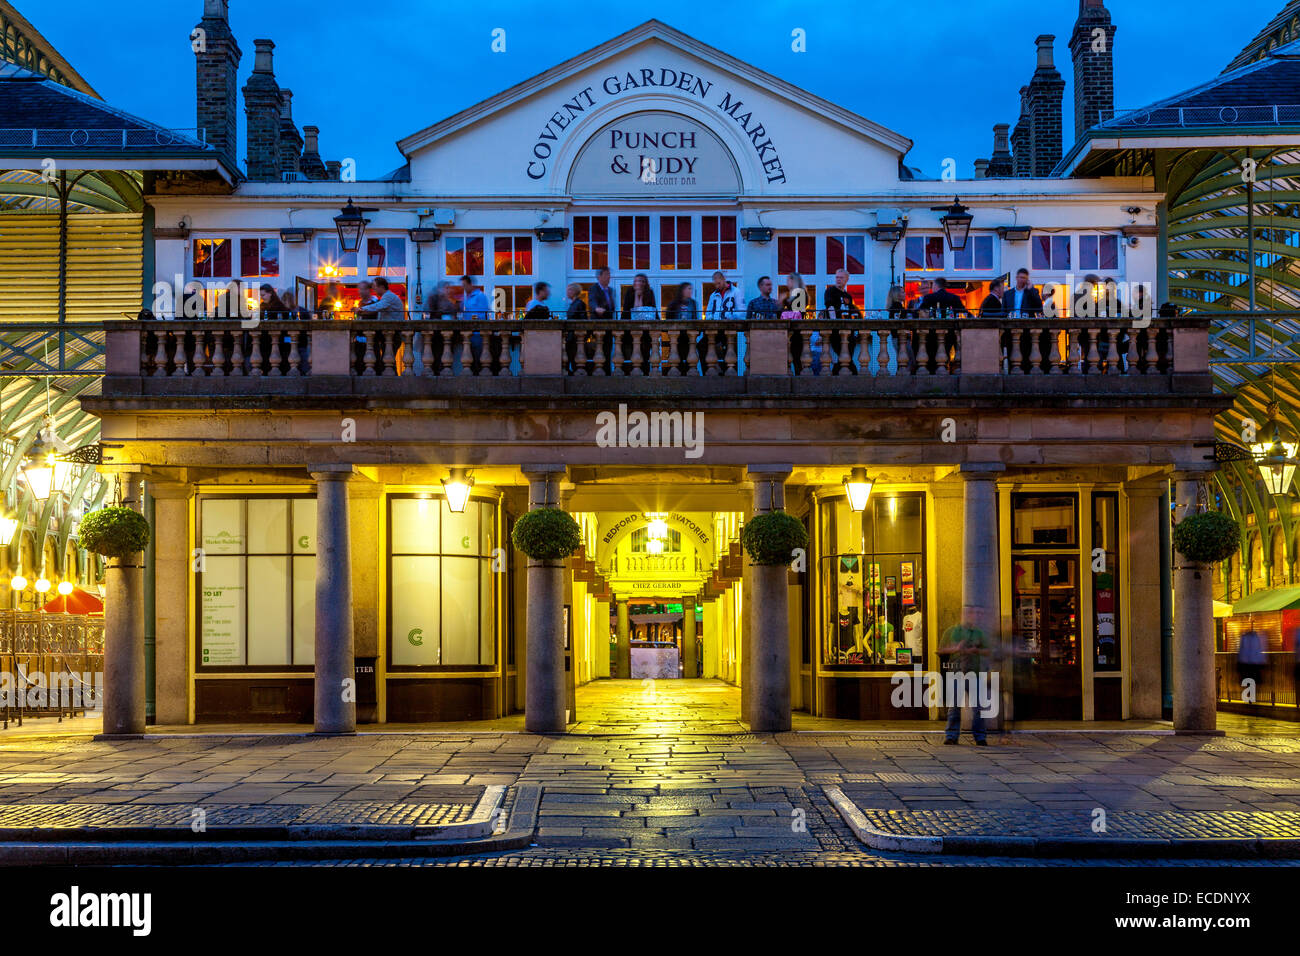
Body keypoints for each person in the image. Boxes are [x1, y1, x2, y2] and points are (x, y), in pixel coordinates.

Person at [938, 619, 992, 745]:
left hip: (974, 673)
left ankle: (980, 737)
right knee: (954, 707)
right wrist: (956, 648)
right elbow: (940, 650)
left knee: (978, 707)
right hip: (956, 672)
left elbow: (989, 651)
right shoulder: (951, 631)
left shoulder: (978, 633)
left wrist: (976, 650)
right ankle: (951, 736)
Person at [1238, 627, 1267, 702]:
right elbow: (1259, 651)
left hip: (1246, 665)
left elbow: (1241, 652)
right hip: (1254, 665)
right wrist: (1262, 663)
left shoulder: (1244, 638)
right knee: (1253, 683)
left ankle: (1250, 698)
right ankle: (1252, 698)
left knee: (1248, 682)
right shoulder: (1257, 638)